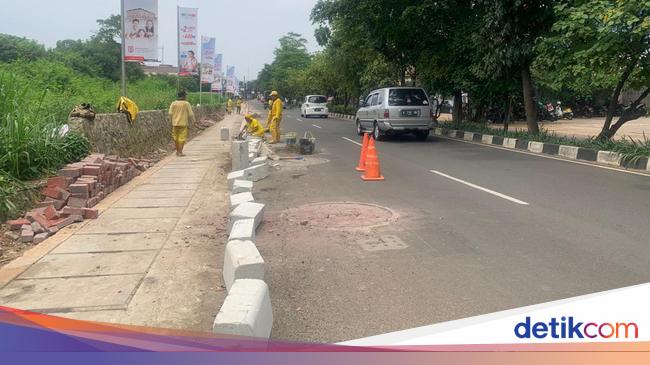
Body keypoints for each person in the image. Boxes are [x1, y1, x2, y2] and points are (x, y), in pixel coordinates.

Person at [168, 90, 195, 157]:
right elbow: (191, 114)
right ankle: (180, 152)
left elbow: (170, 113)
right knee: (182, 138)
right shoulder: (186, 104)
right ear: (184, 96)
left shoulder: (173, 103)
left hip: (175, 123)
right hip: (183, 123)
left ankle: (177, 151)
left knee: (175, 137)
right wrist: (194, 121)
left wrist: (170, 121)